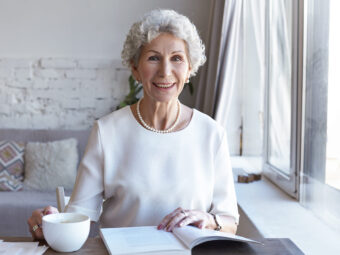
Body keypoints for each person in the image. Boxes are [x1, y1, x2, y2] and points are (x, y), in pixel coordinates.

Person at [28, 9, 239, 240]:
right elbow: (80, 217)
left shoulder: (212, 134)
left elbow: (229, 222)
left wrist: (210, 220)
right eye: (153, 58)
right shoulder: (107, 132)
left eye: (177, 58)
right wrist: (48, 224)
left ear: (189, 70)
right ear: (135, 69)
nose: (165, 71)